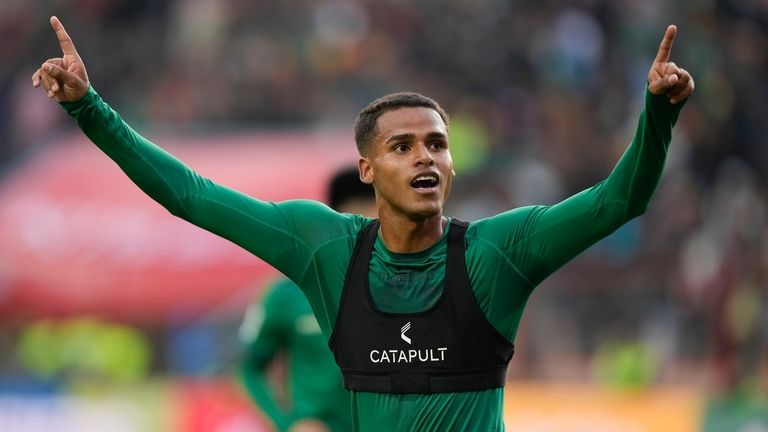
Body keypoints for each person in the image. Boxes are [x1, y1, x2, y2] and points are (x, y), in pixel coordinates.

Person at [33, 16, 694, 431]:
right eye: (402, 147)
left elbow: (618, 201)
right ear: (369, 169)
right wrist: (90, 109)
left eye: (436, 144)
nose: (424, 156)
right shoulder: (322, 248)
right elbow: (191, 196)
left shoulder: (499, 253)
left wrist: (657, 116)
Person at [238, 167, 375, 432]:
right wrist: (290, 423)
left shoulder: (412, 288)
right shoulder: (286, 293)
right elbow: (250, 369)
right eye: (360, 217)